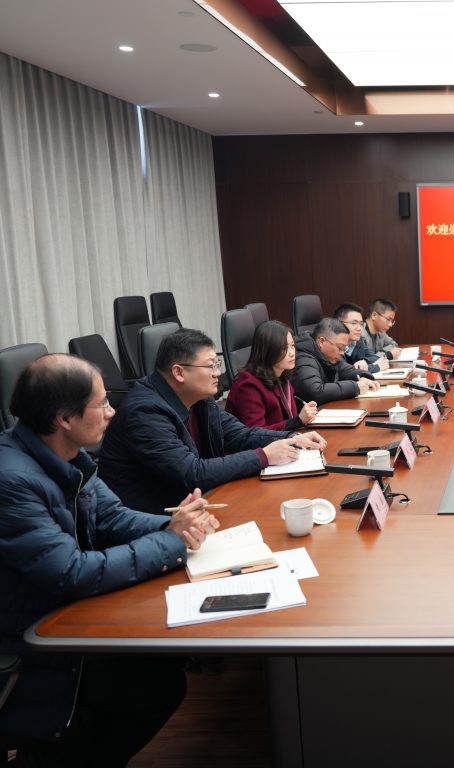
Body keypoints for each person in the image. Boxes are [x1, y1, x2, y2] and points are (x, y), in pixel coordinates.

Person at [0, 354, 218, 766]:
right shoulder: (12, 480)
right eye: (101, 403)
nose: (112, 411)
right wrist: (169, 543)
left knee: (160, 677)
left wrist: (177, 525)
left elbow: (113, 517)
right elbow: (70, 572)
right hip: (30, 643)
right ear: (65, 418)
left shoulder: (67, 455)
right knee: (153, 688)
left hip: (67, 617)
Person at [99, 328, 326, 514]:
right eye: (211, 366)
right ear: (179, 372)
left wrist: (291, 438)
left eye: (217, 364)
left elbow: (239, 434)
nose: (218, 373)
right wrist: (264, 456)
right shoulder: (145, 412)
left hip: (198, 505)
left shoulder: (198, 398)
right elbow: (192, 473)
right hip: (153, 521)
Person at [226, 320, 319, 430]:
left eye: (292, 346)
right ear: (268, 351)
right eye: (284, 348)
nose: (292, 353)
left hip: (285, 438)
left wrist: (304, 415)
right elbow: (256, 433)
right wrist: (298, 420)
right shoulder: (248, 386)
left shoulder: (282, 374)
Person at [294, 317, 379, 404]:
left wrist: (363, 376)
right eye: (340, 347)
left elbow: (347, 370)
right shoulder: (303, 357)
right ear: (322, 341)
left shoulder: (330, 356)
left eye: (344, 349)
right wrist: (355, 387)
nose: (342, 353)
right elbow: (315, 392)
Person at [334, 302, 389, 374]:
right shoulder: (333, 344)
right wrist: (376, 367)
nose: (359, 328)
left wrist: (365, 361)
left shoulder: (358, 341)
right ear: (340, 324)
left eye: (360, 324)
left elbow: (376, 358)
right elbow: (344, 372)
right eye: (354, 323)